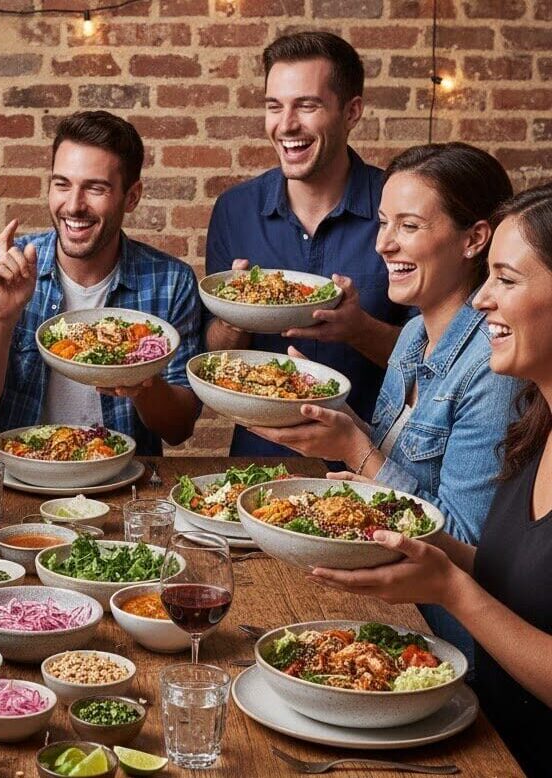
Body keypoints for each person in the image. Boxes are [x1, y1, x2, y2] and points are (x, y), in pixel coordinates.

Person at [309, 183, 552, 778]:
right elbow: (510, 577)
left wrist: (449, 587)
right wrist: (418, 546)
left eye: (507, 279)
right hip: (476, 730)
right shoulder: (538, 427)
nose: (480, 300)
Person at [248, 143, 520, 547]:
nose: (383, 244)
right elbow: (391, 461)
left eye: (408, 226)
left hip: (429, 607)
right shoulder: (413, 336)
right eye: (382, 222)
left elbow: (464, 543)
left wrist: (352, 447)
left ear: (474, 239)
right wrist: (329, 415)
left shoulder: (492, 365)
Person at [0, 110, 202, 455]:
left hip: (121, 488)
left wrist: (143, 384)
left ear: (132, 196)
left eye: (95, 188)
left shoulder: (172, 281)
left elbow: (179, 428)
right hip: (16, 485)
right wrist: (1, 319)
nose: (74, 205)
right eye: (61, 184)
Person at [205, 31, 411, 458]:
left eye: (307, 105)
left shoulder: (397, 207)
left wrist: (360, 330)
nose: (286, 125)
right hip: (258, 461)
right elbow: (215, 354)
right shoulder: (234, 210)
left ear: (351, 112)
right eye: (274, 106)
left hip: (374, 464)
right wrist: (235, 317)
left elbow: (438, 362)